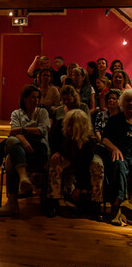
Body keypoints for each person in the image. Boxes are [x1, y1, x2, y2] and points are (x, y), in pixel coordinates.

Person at [0, 84, 50, 217]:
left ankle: (12, 202)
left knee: (10, 156)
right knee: (11, 151)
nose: (36, 100)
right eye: (32, 97)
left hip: (38, 150)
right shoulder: (16, 113)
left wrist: (22, 131)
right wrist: (24, 140)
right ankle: (23, 178)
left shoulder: (42, 112)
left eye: (38, 98)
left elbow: (42, 131)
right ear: (25, 99)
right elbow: (14, 133)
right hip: (22, 148)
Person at [46, 109, 103, 220]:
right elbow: (52, 141)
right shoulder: (60, 128)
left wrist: (79, 187)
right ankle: (53, 201)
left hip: (84, 159)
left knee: (97, 166)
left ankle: (96, 203)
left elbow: (84, 164)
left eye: (72, 127)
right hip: (66, 155)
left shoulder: (90, 140)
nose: (69, 129)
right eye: (68, 125)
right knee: (55, 163)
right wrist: (55, 152)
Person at [102, 89, 132, 225]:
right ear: (122, 103)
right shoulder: (115, 120)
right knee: (119, 165)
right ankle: (117, 205)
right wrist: (114, 148)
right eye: (128, 101)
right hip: (120, 155)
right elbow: (104, 139)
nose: (131, 103)